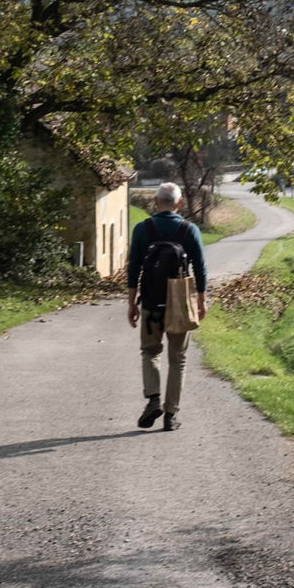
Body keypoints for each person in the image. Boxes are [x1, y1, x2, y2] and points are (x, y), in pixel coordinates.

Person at [125, 181, 207, 432]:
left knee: (150, 353)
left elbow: (133, 268)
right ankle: (171, 415)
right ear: (179, 203)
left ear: (155, 202)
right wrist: (201, 301)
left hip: (151, 302)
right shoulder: (189, 230)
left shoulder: (142, 229)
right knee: (178, 360)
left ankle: (153, 399)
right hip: (179, 304)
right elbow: (201, 269)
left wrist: (132, 302)